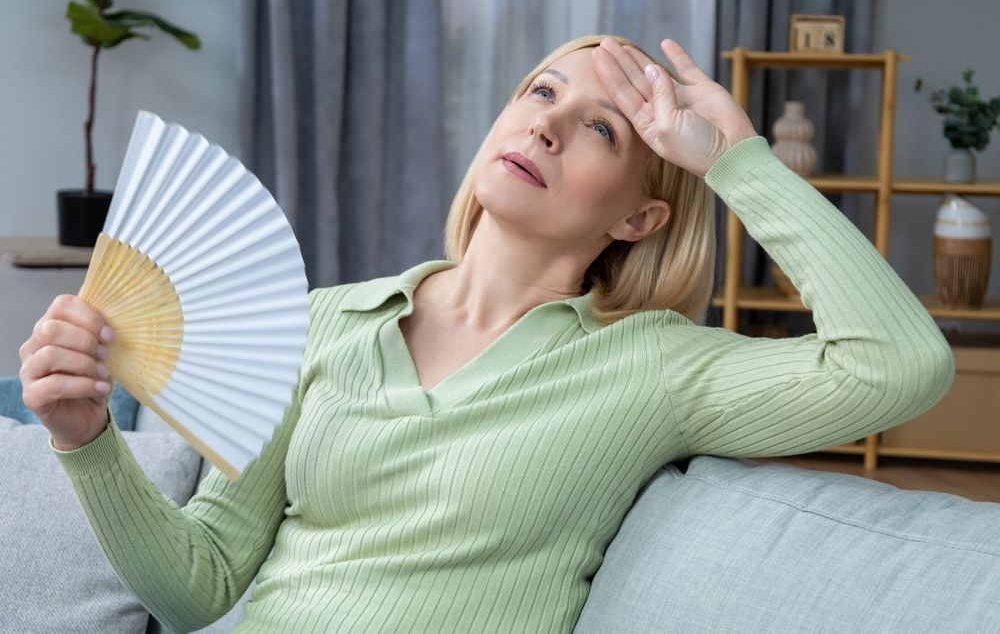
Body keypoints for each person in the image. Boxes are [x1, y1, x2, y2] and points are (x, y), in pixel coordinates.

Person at [18, 35, 955, 633]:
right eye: (541, 91)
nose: (546, 125)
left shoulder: (653, 364)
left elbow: (898, 364)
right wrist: (86, 440)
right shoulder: (325, 324)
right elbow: (200, 584)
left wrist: (738, 164)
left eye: (601, 130)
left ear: (639, 219)